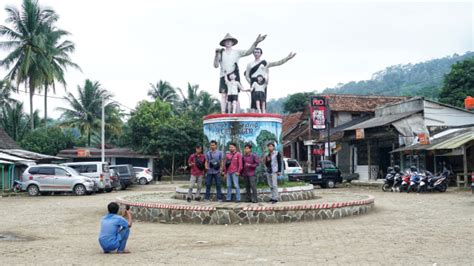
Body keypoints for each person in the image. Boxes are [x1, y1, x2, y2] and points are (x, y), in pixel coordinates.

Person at [214, 33, 267, 113]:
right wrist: (216, 54)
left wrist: (256, 42)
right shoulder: (221, 52)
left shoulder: (237, 52)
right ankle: (223, 112)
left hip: (234, 75)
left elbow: (249, 52)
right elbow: (215, 65)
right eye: (226, 41)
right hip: (224, 75)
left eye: (230, 41)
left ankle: (237, 113)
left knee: (236, 96)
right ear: (224, 43)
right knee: (224, 95)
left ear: (232, 43)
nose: (228, 42)